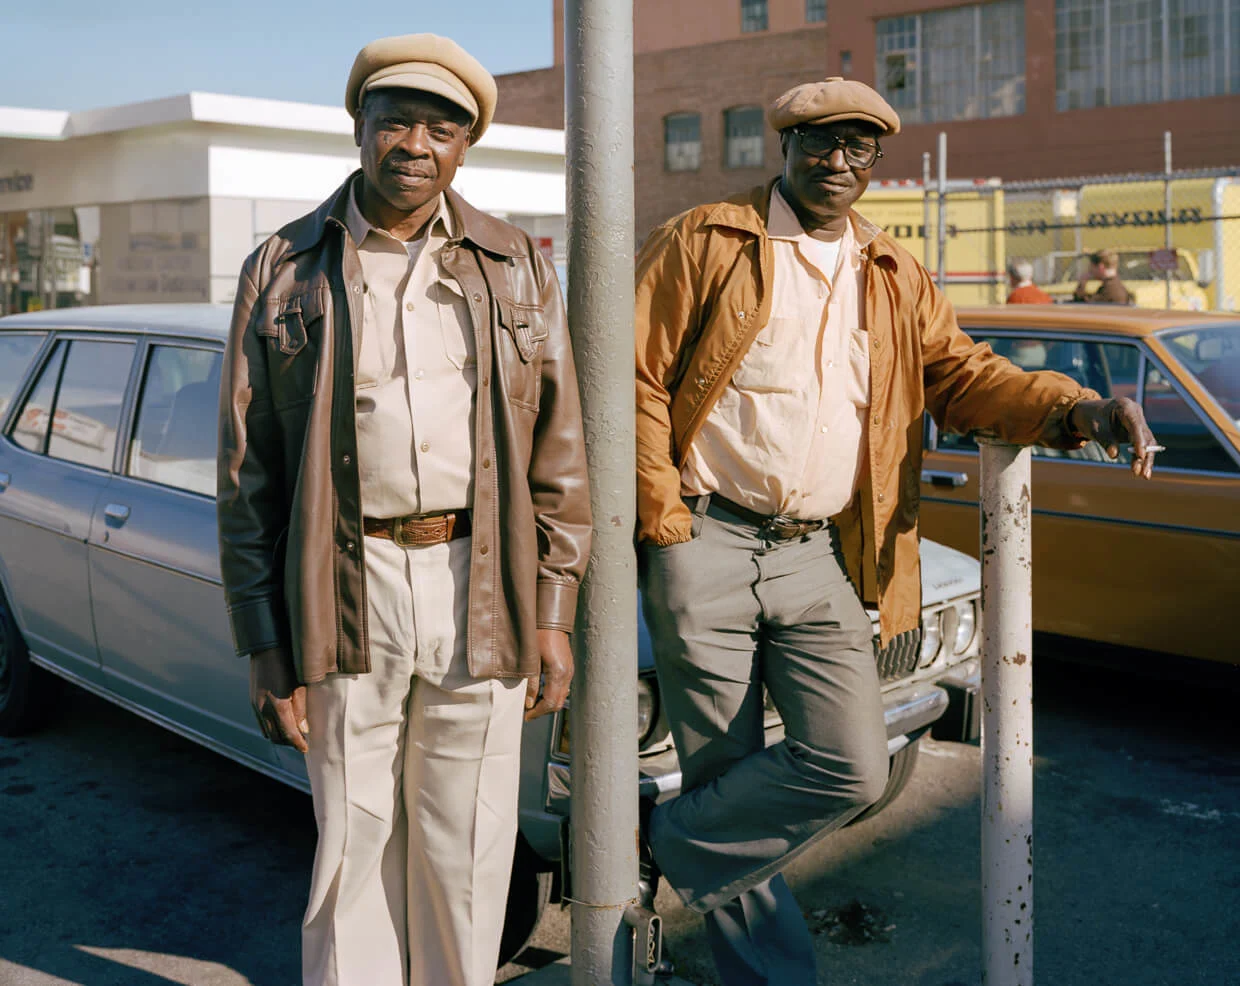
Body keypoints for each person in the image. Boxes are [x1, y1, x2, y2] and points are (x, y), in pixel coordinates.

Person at [634, 76, 1159, 986]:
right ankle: (769, 976)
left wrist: (1077, 409)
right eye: (821, 143)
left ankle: (665, 840)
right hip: (707, 536)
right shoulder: (706, 239)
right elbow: (634, 376)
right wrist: (664, 521)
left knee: (847, 766)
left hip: (816, 551)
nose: (839, 163)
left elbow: (962, 373)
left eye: (859, 149)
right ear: (787, 146)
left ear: (876, 162)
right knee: (725, 769)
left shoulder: (892, 270)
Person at [216, 33, 591, 986]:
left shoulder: (513, 264)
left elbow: (560, 452)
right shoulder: (284, 269)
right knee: (353, 844)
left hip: (482, 584)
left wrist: (552, 612)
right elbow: (247, 474)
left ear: (466, 146)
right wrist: (265, 644)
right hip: (347, 586)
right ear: (359, 131)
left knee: (469, 846)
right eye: (395, 122)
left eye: (441, 127)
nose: (415, 144)